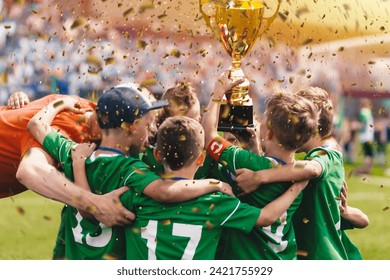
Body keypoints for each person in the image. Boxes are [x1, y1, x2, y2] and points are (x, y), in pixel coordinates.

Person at [27, 85, 233, 259]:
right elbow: (165, 191)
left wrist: (60, 102)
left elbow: (36, 124)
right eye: (148, 124)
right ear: (133, 126)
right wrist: (214, 184)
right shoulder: (131, 170)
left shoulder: (75, 153)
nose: (152, 130)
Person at [74, 116, 307, 259]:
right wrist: (297, 187)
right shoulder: (217, 202)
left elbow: (90, 207)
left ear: (156, 154)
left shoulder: (137, 197)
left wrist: (78, 164)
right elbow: (266, 217)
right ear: (200, 159)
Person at [235, 87, 367, 260]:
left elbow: (311, 169)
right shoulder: (305, 163)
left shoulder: (328, 155)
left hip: (322, 259)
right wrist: (255, 149)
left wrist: (259, 177)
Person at [202, 70, 318, 259]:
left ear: (270, 133)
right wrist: (254, 148)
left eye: (264, 119)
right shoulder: (299, 174)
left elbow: (209, 139)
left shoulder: (249, 163)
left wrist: (217, 94)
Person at [0, 91, 134, 226]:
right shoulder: (63, 131)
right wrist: (94, 204)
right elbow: (29, 170)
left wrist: (18, 96)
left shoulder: (78, 103)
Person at [354, 98, 375, 175]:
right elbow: (363, 124)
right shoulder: (366, 112)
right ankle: (366, 170)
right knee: (369, 154)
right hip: (367, 137)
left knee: (368, 153)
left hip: (365, 137)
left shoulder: (363, 112)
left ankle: (366, 170)